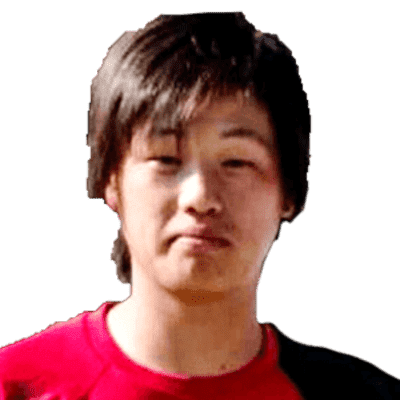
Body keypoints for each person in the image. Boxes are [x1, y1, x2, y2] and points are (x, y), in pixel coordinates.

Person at [0, 11, 399, 400]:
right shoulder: (15, 385)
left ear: (289, 192)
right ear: (111, 180)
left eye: (236, 162)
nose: (201, 198)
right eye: (166, 159)